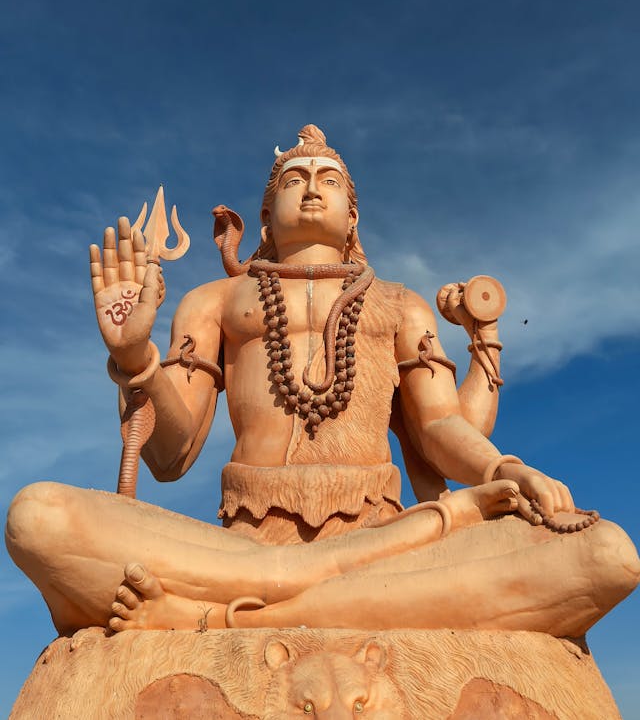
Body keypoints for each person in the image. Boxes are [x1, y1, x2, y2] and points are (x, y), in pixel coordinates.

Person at [6, 125, 639, 638]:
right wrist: (136, 356)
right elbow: (170, 457)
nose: (312, 190)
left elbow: (441, 428)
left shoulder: (400, 304)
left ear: (352, 213)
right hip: (245, 546)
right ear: (265, 218)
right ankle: (338, 598)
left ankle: (207, 616)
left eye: (329, 180)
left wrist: (505, 469)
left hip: (388, 538)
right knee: (39, 516)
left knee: (606, 556)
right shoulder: (215, 301)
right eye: (295, 179)